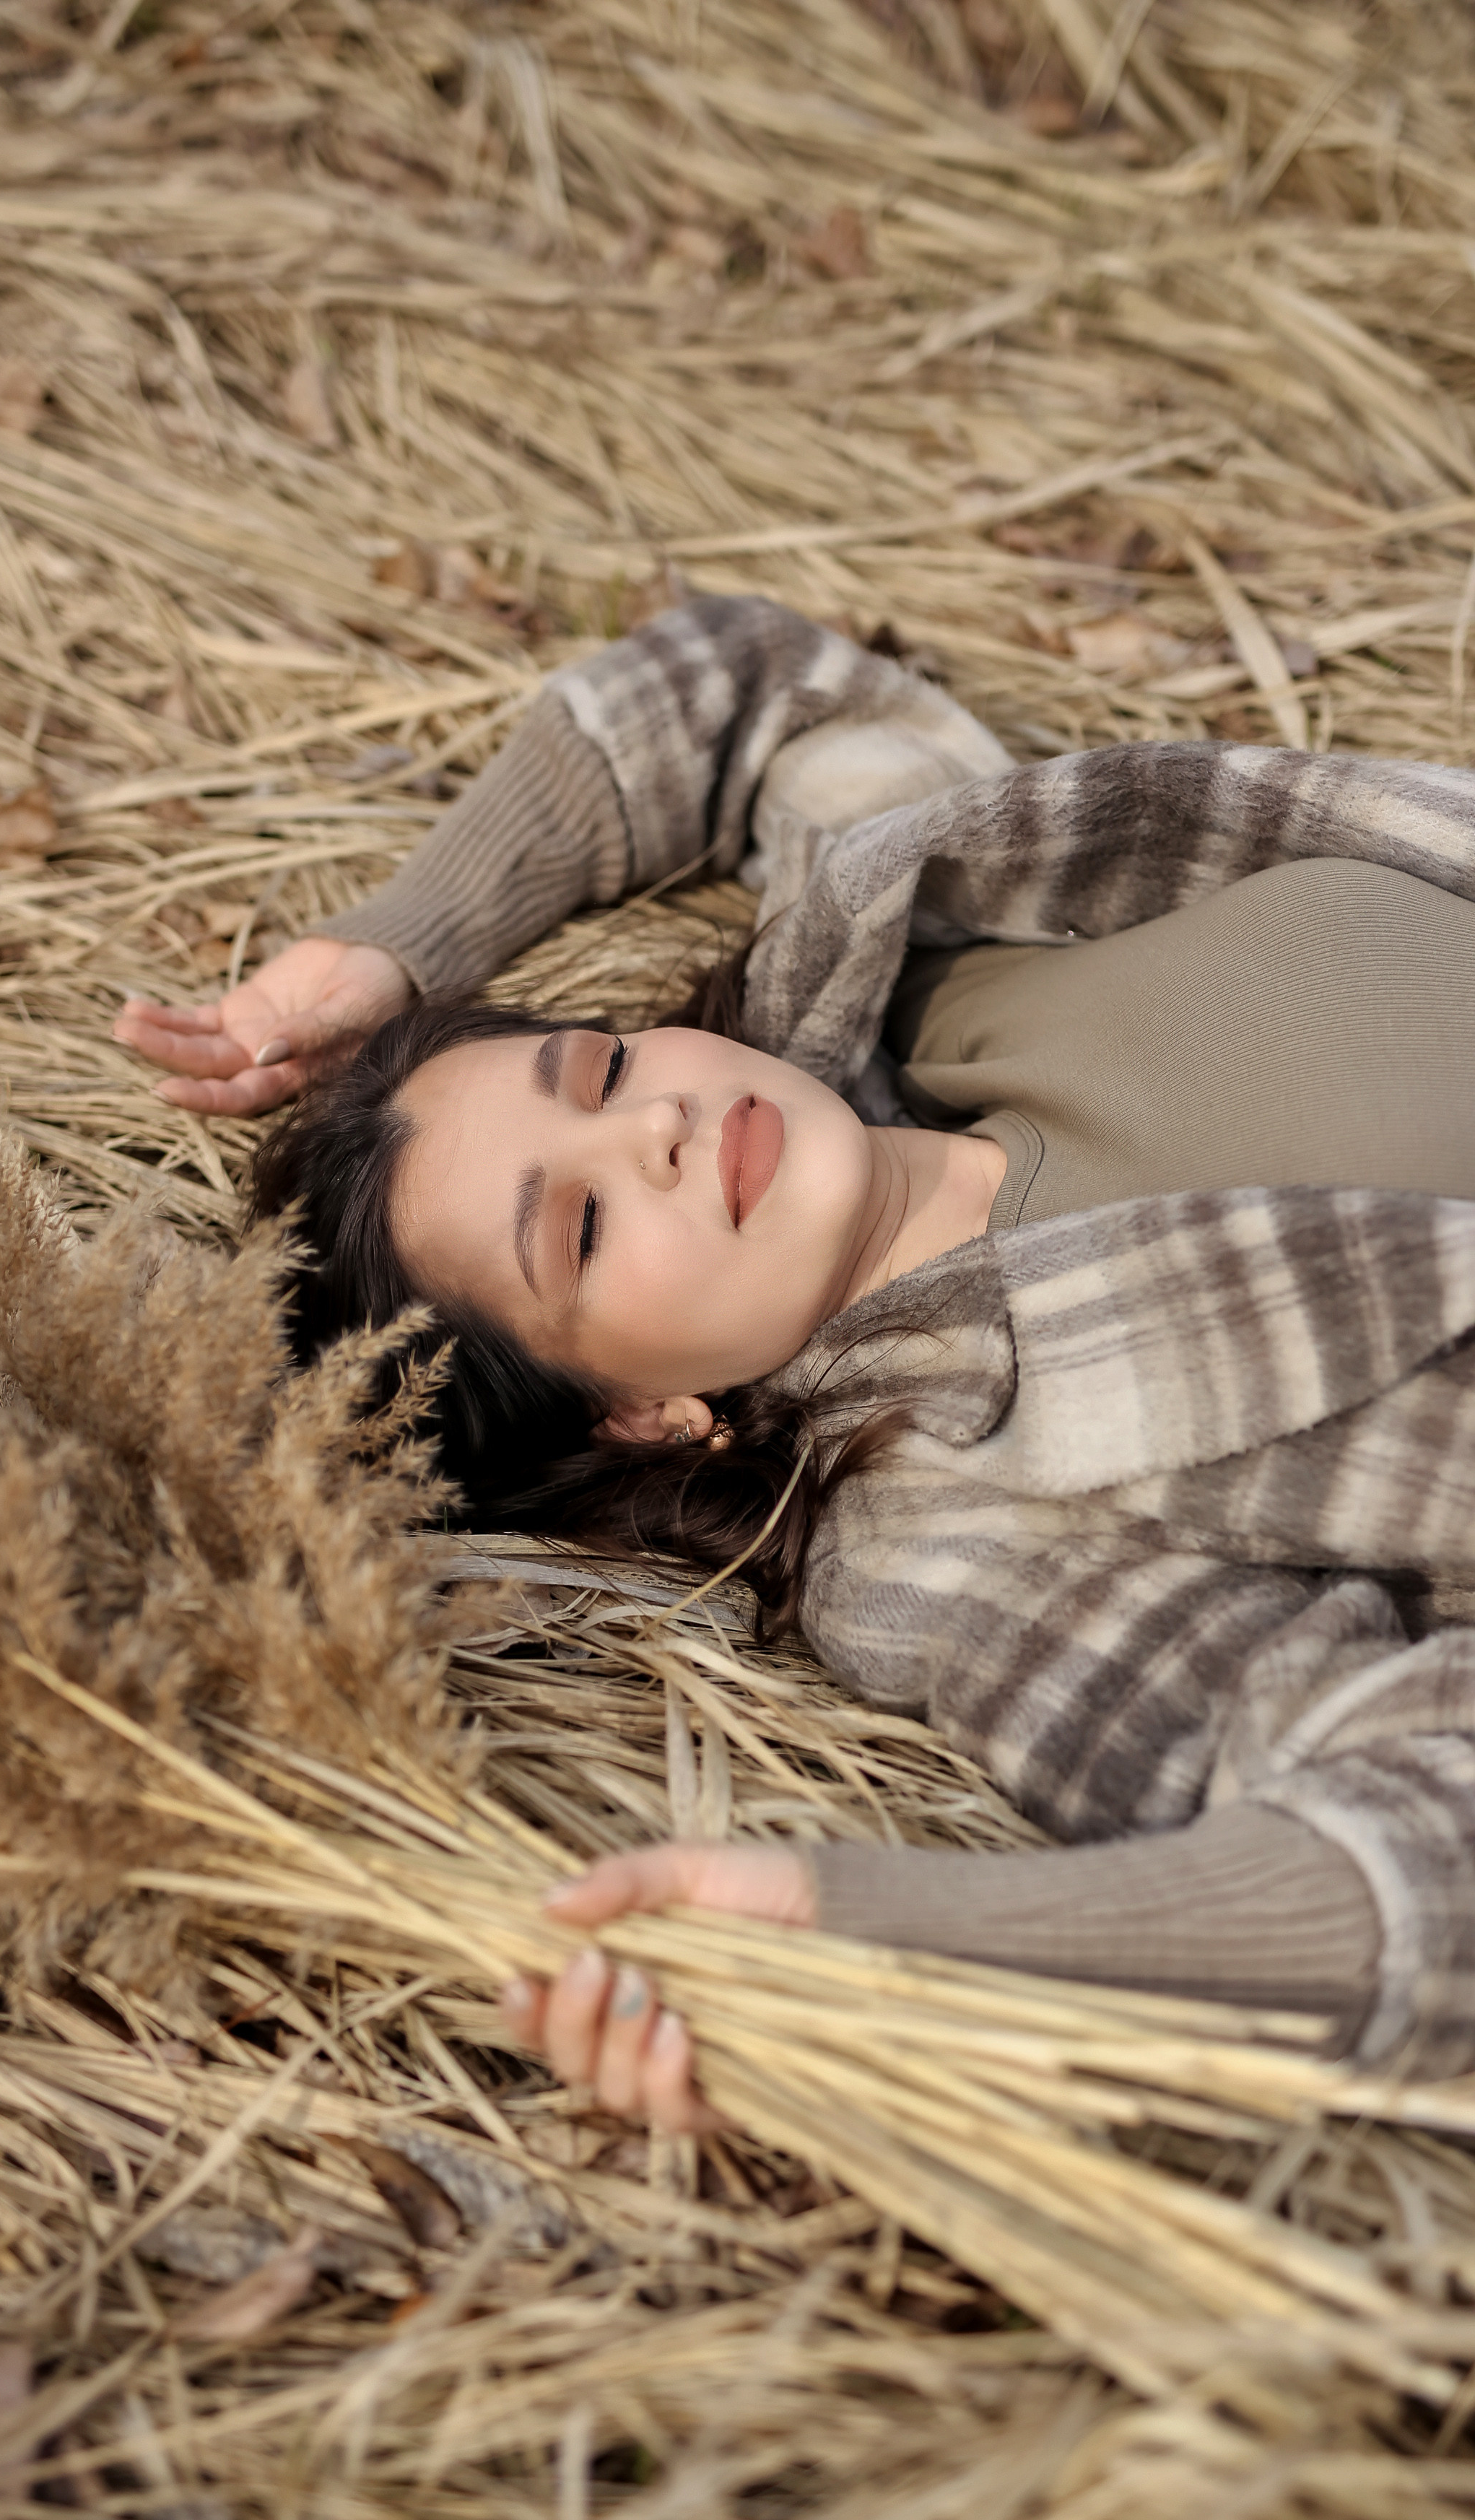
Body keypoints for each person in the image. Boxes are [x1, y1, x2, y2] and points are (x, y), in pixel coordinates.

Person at [115, 596, 1475, 2129]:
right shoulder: (948, 1522)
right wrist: (868, 1946)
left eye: (604, 1069)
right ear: (641, 1410)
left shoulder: (877, 962)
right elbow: (1409, 1829)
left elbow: (757, 690)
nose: (654, 1129)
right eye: (578, 1225)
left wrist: (394, 948)